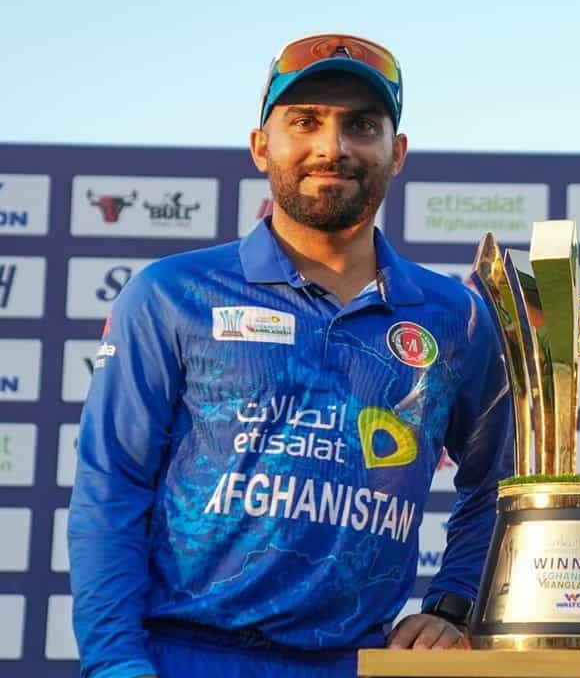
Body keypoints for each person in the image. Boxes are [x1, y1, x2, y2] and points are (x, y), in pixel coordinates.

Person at [69, 34, 513, 678]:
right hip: (184, 657)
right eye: (305, 122)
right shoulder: (172, 293)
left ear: (397, 153)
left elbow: (498, 483)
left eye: (362, 125)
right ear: (261, 146)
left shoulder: (456, 316)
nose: (333, 147)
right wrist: (116, 665)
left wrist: (455, 601)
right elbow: (112, 488)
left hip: (360, 662)